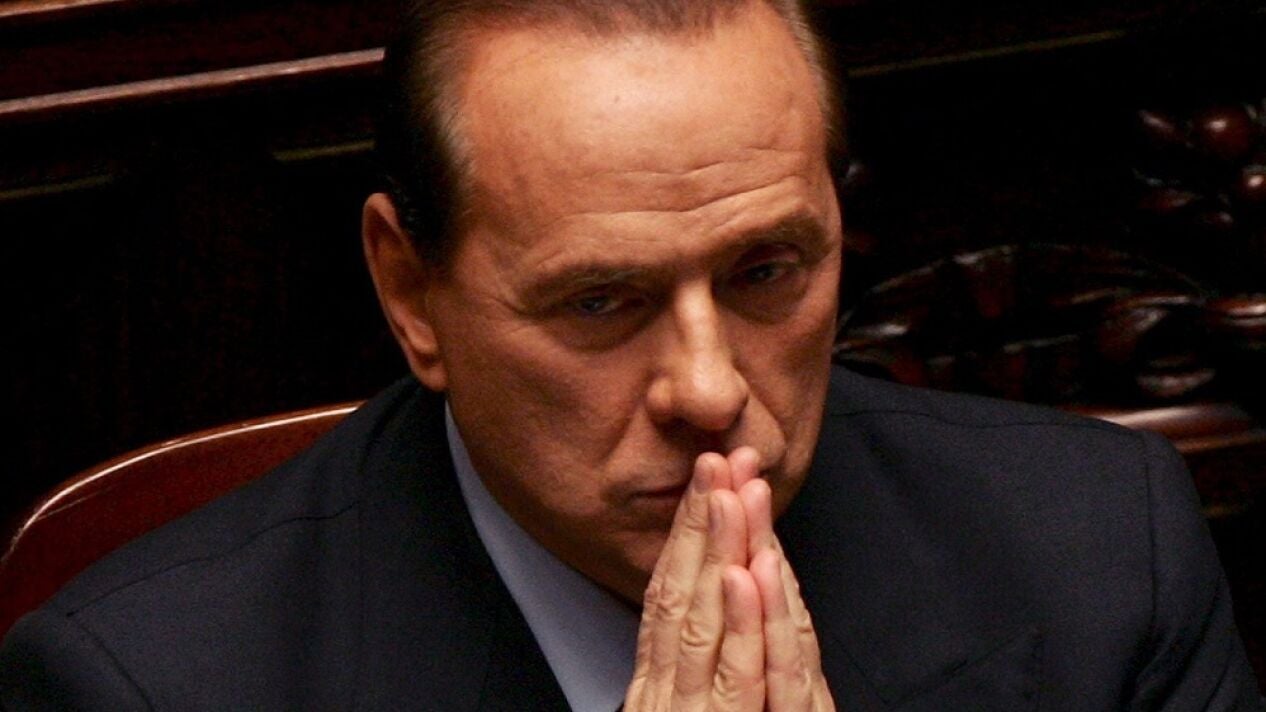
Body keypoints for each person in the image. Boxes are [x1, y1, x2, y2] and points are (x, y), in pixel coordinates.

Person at [2, 0, 1261, 709]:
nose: (711, 390)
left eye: (766, 271)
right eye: (600, 301)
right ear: (411, 292)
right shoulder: (146, 688)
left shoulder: (1101, 551)